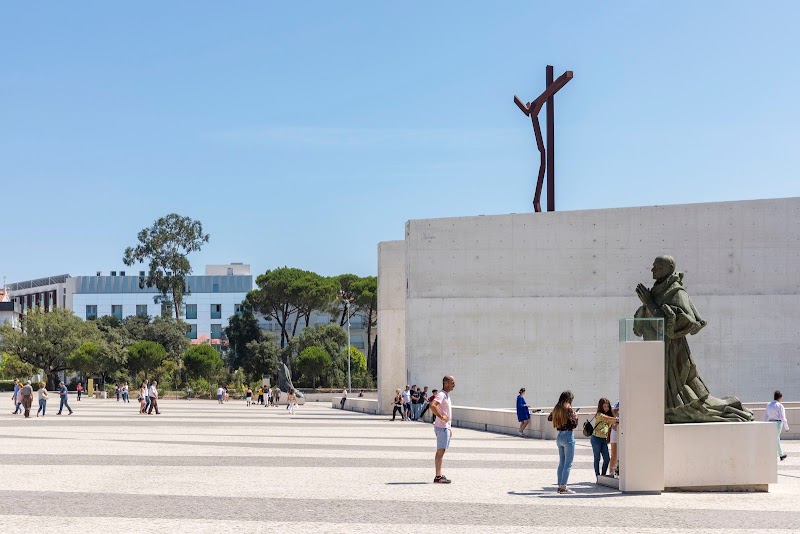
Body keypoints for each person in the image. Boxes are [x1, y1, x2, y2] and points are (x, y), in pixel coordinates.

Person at [634, 255, 752, 423]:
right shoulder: (654, 293)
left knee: (693, 406)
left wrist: (650, 304)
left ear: (666, 269)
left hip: (674, 356)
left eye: (656, 267)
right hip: (656, 354)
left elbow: (680, 324)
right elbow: (640, 327)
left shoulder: (676, 292)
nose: (652, 270)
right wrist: (646, 304)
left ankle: (728, 409)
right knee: (669, 402)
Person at [548, 390, 578, 494]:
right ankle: (563, 487)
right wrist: (575, 416)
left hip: (559, 436)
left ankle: (559, 485)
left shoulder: (557, 408)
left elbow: (549, 418)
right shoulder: (568, 409)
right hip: (568, 436)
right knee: (568, 463)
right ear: (569, 399)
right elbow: (573, 424)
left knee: (561, 462)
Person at [430, 375, 455, 484]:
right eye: (452, 382)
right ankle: (438, 476)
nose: (454, 384)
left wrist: (449, 427)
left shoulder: (446, 395)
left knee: (442, 451)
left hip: (444, 427)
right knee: (440, 451)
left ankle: (439, 474)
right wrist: (441, 417)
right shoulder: (441, 395)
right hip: (441, 427)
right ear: (446, 383)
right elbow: (432, 405)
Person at [590, 398, 618, 479]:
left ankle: (603, 475)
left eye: (607, 407)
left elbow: (612, 424)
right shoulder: (599, 415)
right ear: (601, 407)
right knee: (597, 458)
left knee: (607, 458)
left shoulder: (608, 417)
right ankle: (598, 476)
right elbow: (606, 418)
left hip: (603, 439)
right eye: (604, 406)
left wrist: (615, 422)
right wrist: (616, 419)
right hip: (596, 438)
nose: (606, 408)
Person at [764, 390, 789, 461]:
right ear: (780, 397)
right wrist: (786, 427)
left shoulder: (768, 405)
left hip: (770, 423)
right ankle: (781, 454)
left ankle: (771, 454)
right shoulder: (780, 405)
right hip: (778, 423)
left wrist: (765, 424)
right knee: (776, 438)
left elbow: (765, 416)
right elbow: (783, 417)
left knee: (773, 438)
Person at [609, 401, 620, 477]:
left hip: (625, 431)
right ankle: (611, 472)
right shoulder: (619, 403)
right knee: (614, 454)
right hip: (615, 431)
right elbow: (612, 412)